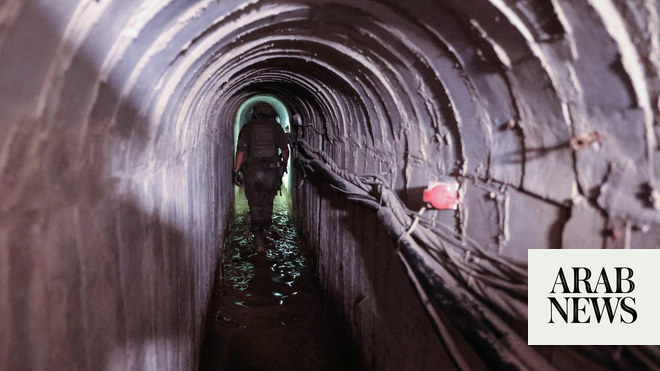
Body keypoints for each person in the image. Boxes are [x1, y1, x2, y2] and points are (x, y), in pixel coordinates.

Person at [233, 102, 290, 251]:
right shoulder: (275, 128)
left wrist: (236, 171)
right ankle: (265, 229)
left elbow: (241, 152)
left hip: (253, 172)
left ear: (255, 113)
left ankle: (258, 238)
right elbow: (285, 149)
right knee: (268, 201)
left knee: (255, 204)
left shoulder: (248, 127)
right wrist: (284, 164)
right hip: (271, 172)